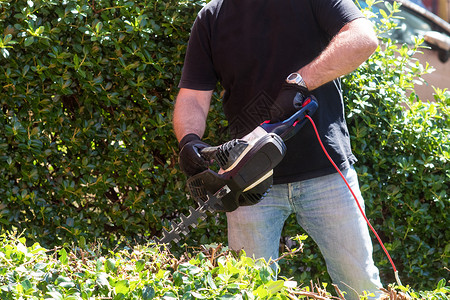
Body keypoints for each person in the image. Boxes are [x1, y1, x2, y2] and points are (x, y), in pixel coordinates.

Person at [173, 0, 382, 298]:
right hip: (247, 182)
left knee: (360, 286)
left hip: (326, 173)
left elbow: (363, 38)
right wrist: (189, 140)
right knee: (249, 290)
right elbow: (193, 95)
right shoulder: (212, 16)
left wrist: (300, 82)